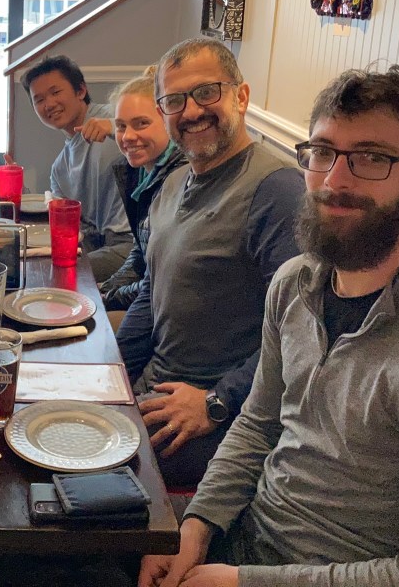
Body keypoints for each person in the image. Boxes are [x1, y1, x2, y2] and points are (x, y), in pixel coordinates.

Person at [139, 65, 399, 587]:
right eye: (324, 152)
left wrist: (241, 582)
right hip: (244, 538)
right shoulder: (294, 283)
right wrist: (195, 528)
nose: (335, 180)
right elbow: (257, 424)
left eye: (372, 158)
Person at [117, 37, 304, 488]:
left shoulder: (278, 191)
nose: (192, 111)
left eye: (206, 92)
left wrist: (217, 401)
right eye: (175, 100)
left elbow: (302, 333)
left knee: (78, 464)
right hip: (155, 391)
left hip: (217, 417)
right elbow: (152, 290)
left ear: (241, 96)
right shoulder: (173, 182)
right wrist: (112, 371)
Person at [20, 55, 133, 282]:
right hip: (96, 244)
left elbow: (163, 136)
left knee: (55, 274)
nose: (49, 104)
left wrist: (117, 128)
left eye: (55, 92)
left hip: (132, 245)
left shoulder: (118, 119)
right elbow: (70, 227)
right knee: (29, 264)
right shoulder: (60, 168)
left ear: (81, 90)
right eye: (39, 99)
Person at [98, 69, 186, 311]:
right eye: (120, 126)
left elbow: (160, 280)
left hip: (166, 307)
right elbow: (141, 250)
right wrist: (107, 289)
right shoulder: (137, 172)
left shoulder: (181, 178)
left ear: (168, 121)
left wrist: (109, 298)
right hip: (147, 296)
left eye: (142, 124)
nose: (128, 136)